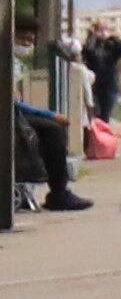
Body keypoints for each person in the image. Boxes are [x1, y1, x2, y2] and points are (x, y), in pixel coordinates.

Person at [11, 16, 88, 213]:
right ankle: (59, 192)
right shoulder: (7, 63)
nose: (26, 45)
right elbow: (13, 102)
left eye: (30, 41)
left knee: (51, 128)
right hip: (11, 113)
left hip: (15, 112)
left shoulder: (16, 63)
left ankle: (57, 189)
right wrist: (50, 114)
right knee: (53, 129)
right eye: (22, 40)